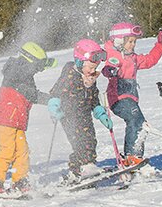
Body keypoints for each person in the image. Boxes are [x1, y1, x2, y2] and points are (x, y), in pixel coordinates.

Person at [0, 42, 55, 194]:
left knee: (22, 150)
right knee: (7, 150)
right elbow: (31, 94)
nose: (38, 70)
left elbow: (30, 93)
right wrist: (49, 99)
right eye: (38, 66)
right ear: (30, 61)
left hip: (17, 120)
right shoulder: (16, 72)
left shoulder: (24, 74)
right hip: (5, 119)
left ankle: (20, 179)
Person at [102, 23, 162, 166]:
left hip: (130, 99)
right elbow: (108, 66)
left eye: (135, 42)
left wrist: (160, 44)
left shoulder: (133, 58)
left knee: (140, 123)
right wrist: (110, 71)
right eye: (130, 41)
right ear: (119, 41)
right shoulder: (115, 56)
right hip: (118, 98)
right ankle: (132, 155)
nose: (133, 45)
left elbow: (150, 60)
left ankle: (133, 156)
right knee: (137, 120)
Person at [48, 39, 113, 184]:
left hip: (84, 115)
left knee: (90, 140)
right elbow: (56, 92)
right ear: (79, 62)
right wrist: (54, 106)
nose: (92, 70)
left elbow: (93, 97)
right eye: (90, 66)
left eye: (95, 67)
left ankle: (83, 168)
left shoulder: (90, 78)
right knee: (79, 142)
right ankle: (81, 168)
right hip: (68, 115)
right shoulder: (70, 75)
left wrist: (100, 113)